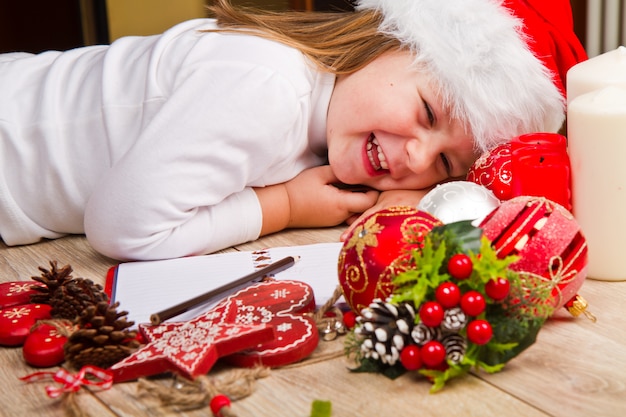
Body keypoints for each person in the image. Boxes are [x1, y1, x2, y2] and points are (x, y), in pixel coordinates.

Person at [0, 0, 586, 261]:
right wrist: (281, 207)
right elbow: (122, 230)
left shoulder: (327, 117)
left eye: (444, 165)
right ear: (386, 41)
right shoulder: (268, 87)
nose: (414, 154)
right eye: (429, 113)